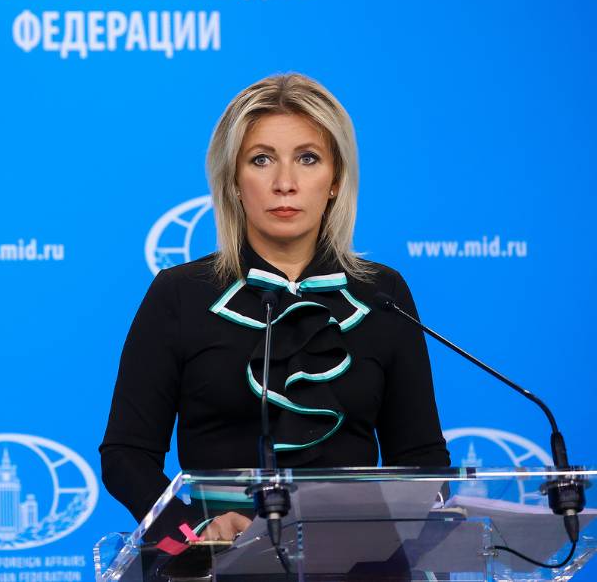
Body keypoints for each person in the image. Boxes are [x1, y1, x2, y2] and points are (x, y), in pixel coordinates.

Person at [99, 73, 450, 540]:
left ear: (335, 180)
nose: (285, 183)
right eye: (261, 160)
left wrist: (420, 527)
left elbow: (422, 456)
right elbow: (126, 457)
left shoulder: (383, 293)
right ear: (233, 181)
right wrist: (193, 534)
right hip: (219, 566)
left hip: (359, 562)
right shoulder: (179, 293)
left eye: (308, 158)